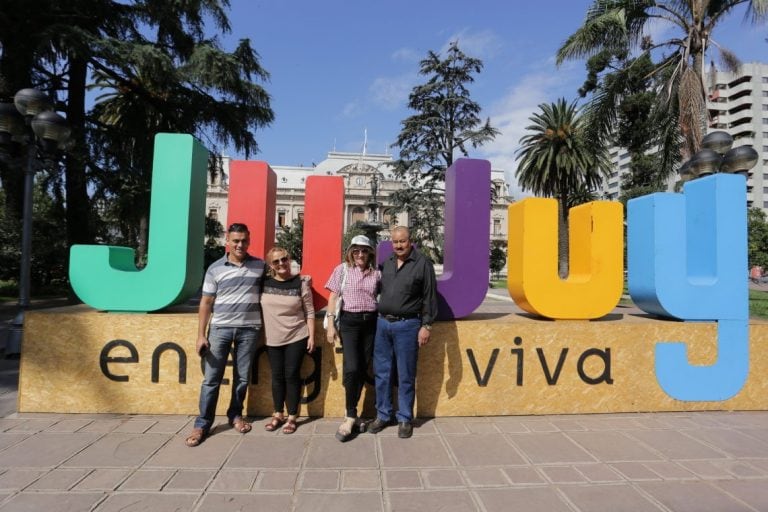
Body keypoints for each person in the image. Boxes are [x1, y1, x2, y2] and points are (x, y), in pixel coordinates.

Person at [186, 223, 265, 447]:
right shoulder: (215, 269)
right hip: (220, 329)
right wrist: (201, 334)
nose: (240, 245)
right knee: (211, 379)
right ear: (227, 241)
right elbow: (206, 302)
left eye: (244, 241)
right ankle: (202, 424)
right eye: (236, 241)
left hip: (249, 329)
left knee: (242, 378)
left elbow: (276, 283)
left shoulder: (259, 266)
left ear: (249, 241)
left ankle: (235, 415)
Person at [369, 226, 437, 439]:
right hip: (382, 325)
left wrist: (426, 326)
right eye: (395, 242)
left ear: (411, 241)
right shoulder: (386, 264)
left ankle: (405, 418)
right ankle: (383, 414)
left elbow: (429, 298)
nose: (398, 245)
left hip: (408, 326)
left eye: (402, 241)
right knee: (382, 373)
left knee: (406, 375)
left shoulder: (423, 264)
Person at [325, 235, 381, 442]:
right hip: (349, 323)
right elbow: (332, 296)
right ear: (350, 252)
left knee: (364, 366)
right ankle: (350, 415)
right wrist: (331, 324)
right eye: (356, 250)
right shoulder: (342, 270)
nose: (360, 254)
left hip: (371, 323)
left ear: (370, 253)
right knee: (352, 368)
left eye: (364, 250)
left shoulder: (376, 273)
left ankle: (354, 414)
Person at [261, 247, 315, 434]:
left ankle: (292, 416)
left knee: (291, 375)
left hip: (296, 336)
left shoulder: (300, 283)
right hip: (272, 337)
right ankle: (278, 413)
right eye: (276, 261)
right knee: (277, 376)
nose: (281, 263)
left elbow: (309, 311)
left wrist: (312, 336)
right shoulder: (264, 283)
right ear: (270, 265)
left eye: (284, 259)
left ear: (289, 259)